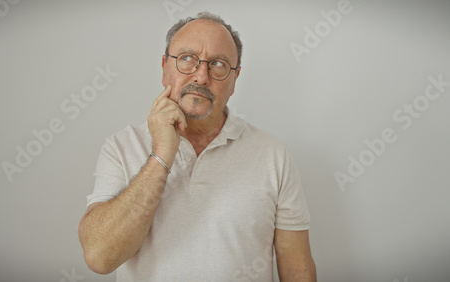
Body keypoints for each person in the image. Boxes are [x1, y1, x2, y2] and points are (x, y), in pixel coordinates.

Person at [78, 11, 316, 281]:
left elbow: (297, 269)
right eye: (187, 59)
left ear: (235, 79)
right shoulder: (121, 146)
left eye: (218, 64)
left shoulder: (273, 155)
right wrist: (161, 156)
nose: (201, 77)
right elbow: (99, 257)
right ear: (165, 66)